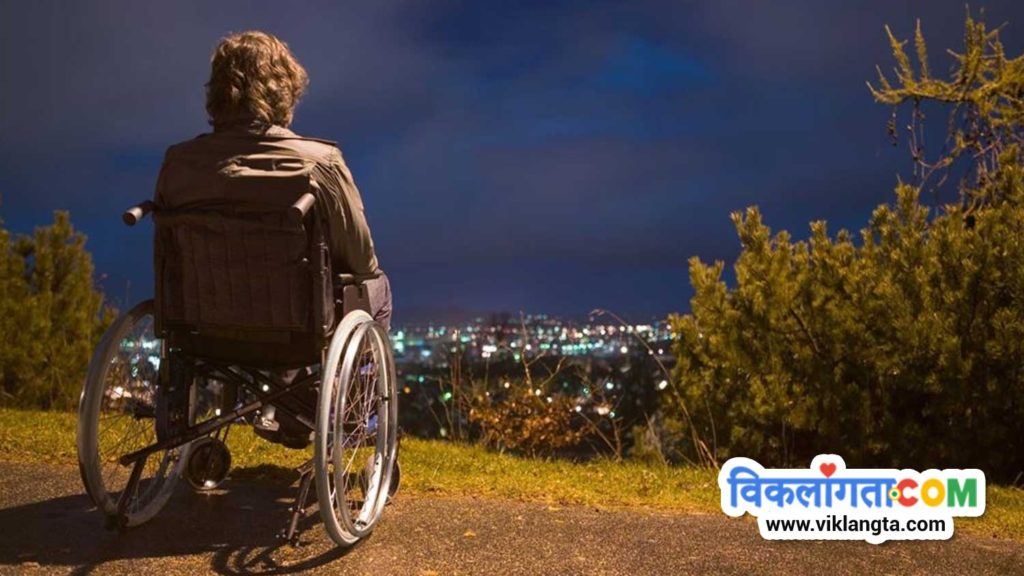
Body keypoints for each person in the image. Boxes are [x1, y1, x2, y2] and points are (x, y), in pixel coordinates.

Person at [155, 31, 392, 447]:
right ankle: (350, 416)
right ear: (285, 91)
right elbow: (360, 258)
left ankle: (289, 404)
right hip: (292, 328)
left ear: (217, 93)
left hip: (200, 325)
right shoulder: (318, 163)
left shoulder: (179, 163)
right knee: (377, 287)